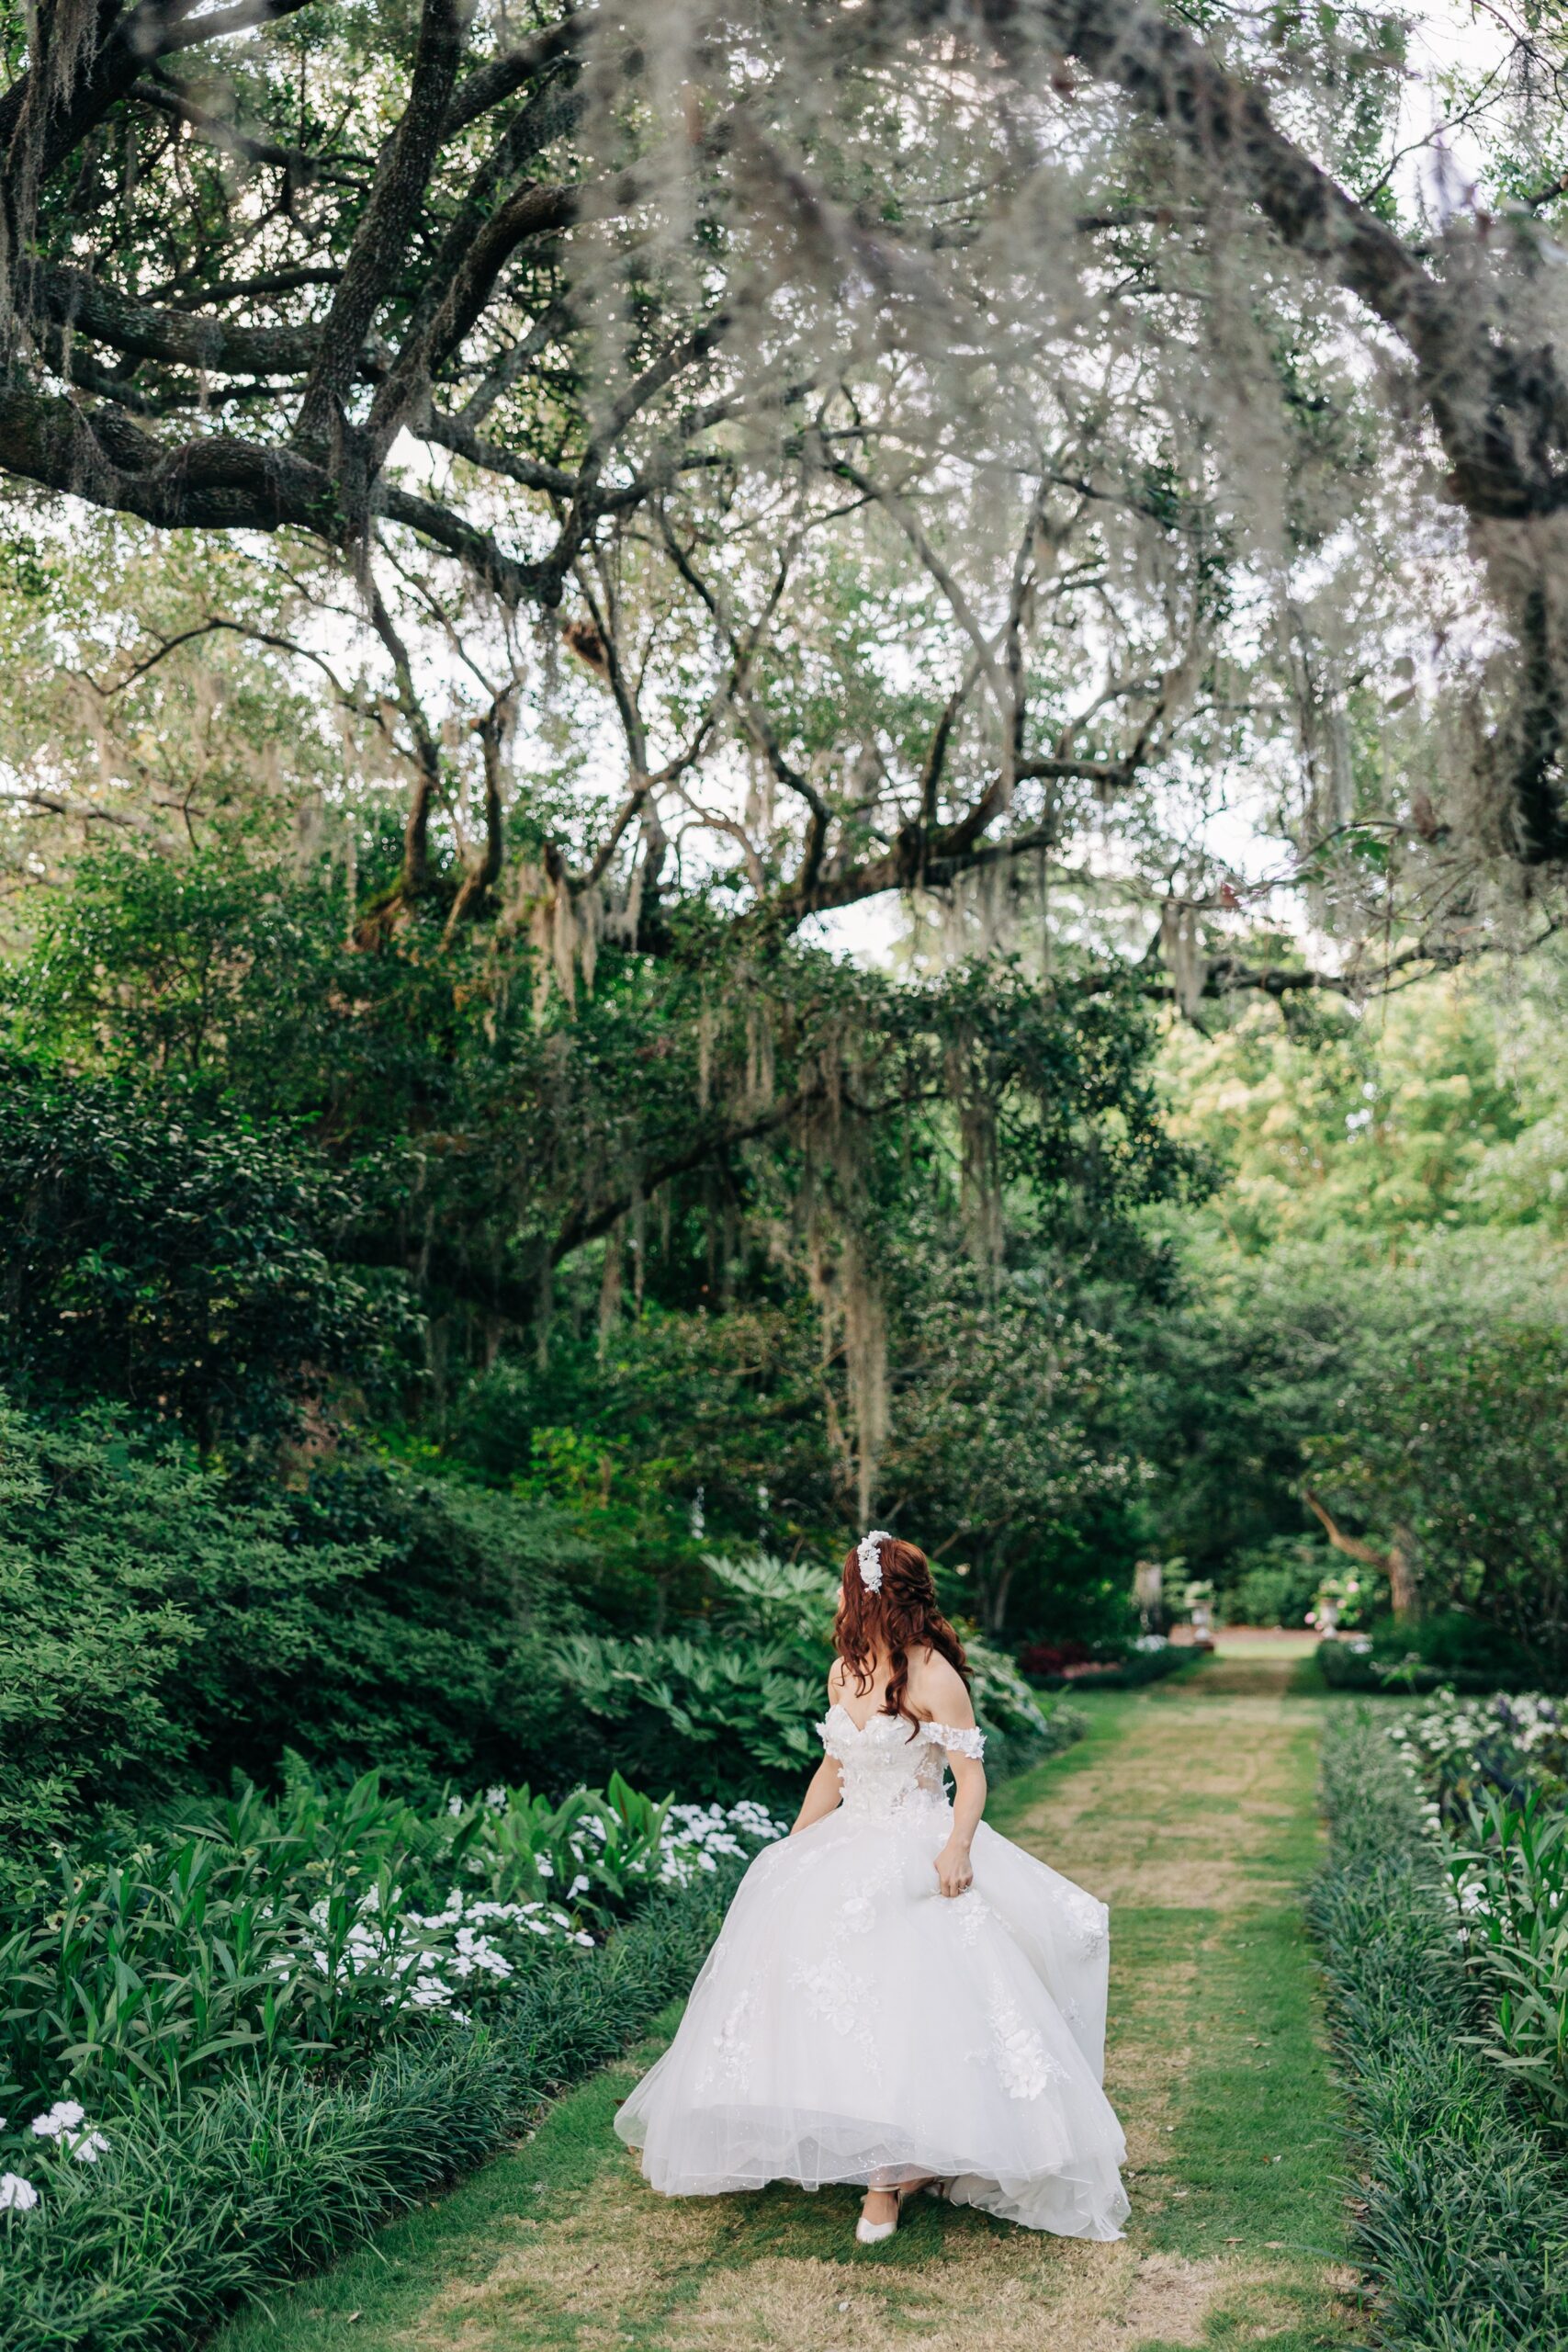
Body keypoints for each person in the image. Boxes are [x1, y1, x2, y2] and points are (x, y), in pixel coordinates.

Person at [615, 1532, 1130, 2245]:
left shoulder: (933, 1674)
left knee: (905, 1999)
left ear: (872, 1595)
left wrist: (955, 1847)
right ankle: (854, 2135)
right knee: (818, 1991)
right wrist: (793, 1844)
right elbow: (834, 1768)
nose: (834, 1599)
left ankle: (885, 2183)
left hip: (915, 1843)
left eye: (842, 1587)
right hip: (847, 1839)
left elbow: (970, 1777)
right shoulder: (843, 1670)